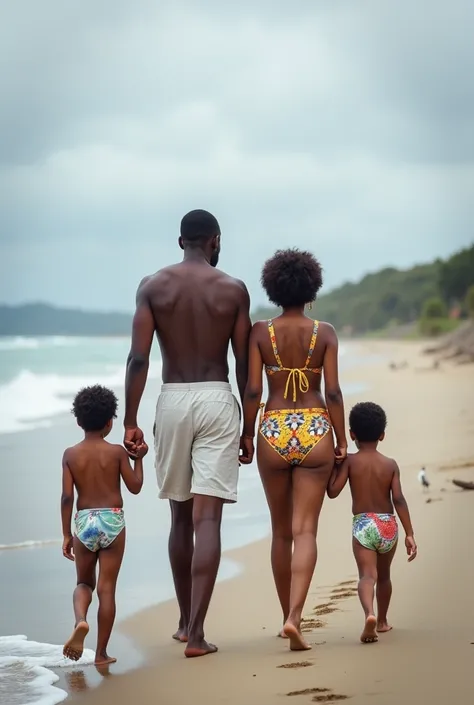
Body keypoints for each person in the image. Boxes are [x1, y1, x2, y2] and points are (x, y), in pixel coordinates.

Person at [123, 209, 251, 658]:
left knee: (179, 518)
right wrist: (248, 427)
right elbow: (243, 365)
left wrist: (130, 420)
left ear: (181, 242)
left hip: (172, 398)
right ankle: (197, 635)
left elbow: (138, 359)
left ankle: (182, 622)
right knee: (208, 520)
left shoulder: (153, 286)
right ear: (214, 240)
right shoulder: (233, 289)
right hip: (218, 397)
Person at [241, 248, 347, 651]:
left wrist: (247, 433)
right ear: (312, 287)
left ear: (272, 287)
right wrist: (341, 440)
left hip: (273, 430)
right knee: (306, 530)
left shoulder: (259, 332)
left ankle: (285, 613)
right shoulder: (326, 332)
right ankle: (295, 617)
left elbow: (253, 389)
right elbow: (333, 391)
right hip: (316, 426)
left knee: (281, 532)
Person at [61, 385, 147, 665]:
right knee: (107, 589)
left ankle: (81, 620)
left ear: (78, 421)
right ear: (110, 421)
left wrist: (66, 534)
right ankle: (101, 654)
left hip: (84, 521)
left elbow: (66, 497)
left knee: (84, 583)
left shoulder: (70, 454)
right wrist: (139, 460)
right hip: (112, 520)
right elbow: (135, 487)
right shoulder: (117, 452)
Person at [327, 401, 417, 644]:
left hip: (364, 525)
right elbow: (398, 499)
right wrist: (409, 533)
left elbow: (333, 491)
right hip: (388, 524)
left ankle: (369, 614)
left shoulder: (350, 462)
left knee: (368, 576)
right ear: (382, 435)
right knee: (385, 576)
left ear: (352, 434)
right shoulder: (390, 465)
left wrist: (332, 467)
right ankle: (383, 621)